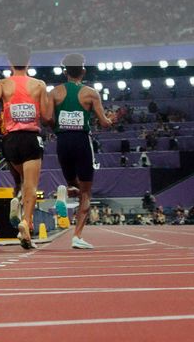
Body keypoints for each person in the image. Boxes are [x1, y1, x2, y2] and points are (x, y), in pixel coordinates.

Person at [49, 53, 118, 250]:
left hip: (62, 141)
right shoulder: (90, 93)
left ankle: (65, 192)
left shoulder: (54, 93)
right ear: (84, 71)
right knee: (86, 192)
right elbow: (104, 123)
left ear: (64, 72)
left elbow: (46, 118)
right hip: (81, 141)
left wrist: (59, 127)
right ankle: (77, 236)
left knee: (74, 184)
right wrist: (112, 119)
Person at [0, 43, 51, 251]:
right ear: (29, 62)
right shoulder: (39, 84)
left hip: (10, 140)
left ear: (9, 62)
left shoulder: (3, 84)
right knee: (31, 187)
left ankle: (17, 202)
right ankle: (26, 222)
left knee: (21, 182)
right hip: (30, 137)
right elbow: (47, 115)